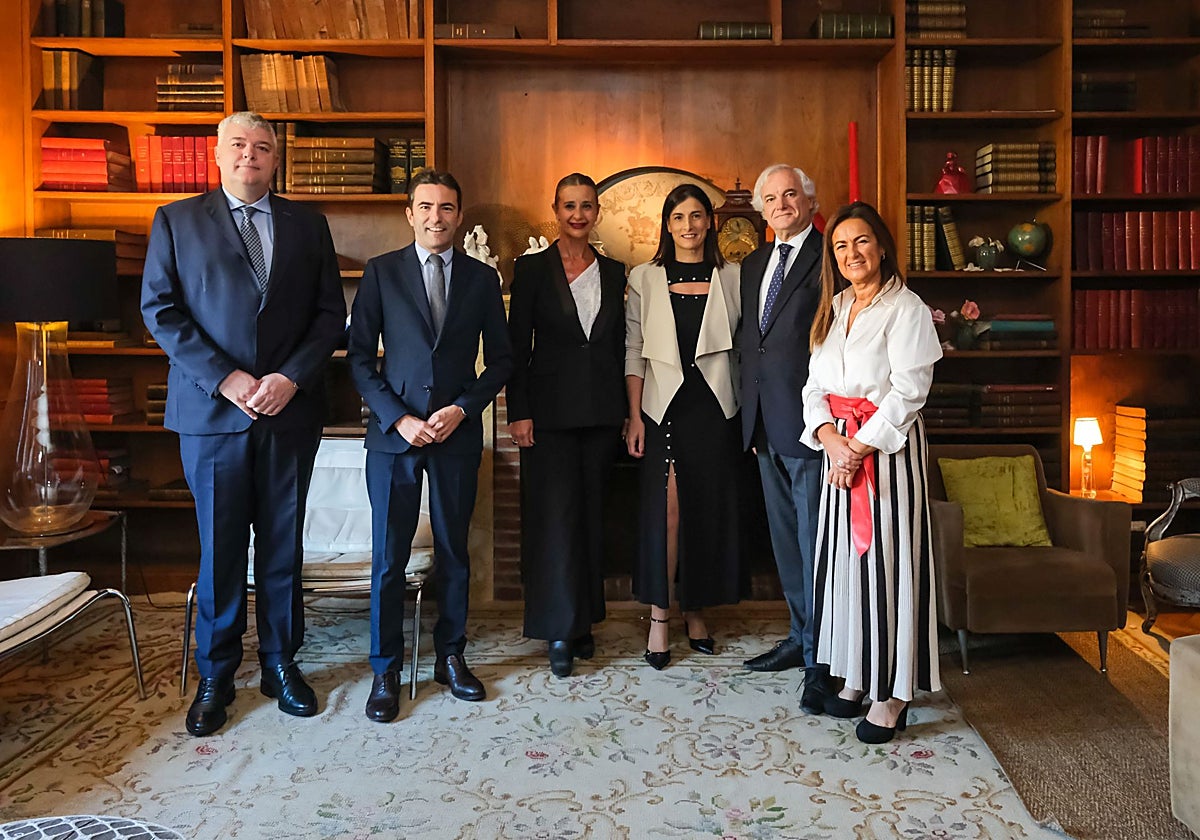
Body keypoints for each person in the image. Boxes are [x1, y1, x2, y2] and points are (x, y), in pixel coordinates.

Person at [142, 112, 346, 737]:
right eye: (239, 145)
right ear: (217, 155)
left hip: (288, 412)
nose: (250, 156)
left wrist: (290, 378)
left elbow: (329, 316)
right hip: (212, 414)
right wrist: (227, 379)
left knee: (284, 547)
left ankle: (282, 663)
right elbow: (161, 309)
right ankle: (216, 675)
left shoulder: (308, 225)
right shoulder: (177, 221)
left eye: (262, 147)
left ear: (276, 158)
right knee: (221, 549)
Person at [347, 169, 512, 722]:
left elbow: (504, 361)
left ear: (459, 216)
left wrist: (462, 408)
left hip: (455, 435)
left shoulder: (482, 279)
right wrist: (397, 419)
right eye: (426, 207)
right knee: (389, 560)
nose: (435, 217)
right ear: (409, 213)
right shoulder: (381, 273)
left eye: (446, 208)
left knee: (454, 554)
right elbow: (359, 360)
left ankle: (450, 656)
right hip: (394, 440)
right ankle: (386, 671)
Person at [801, 201, 942, 744]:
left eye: (861, 241)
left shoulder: (907, 309)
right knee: (848, 572)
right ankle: (859, 676)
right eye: (840, 245)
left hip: (888, 458)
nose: (851, 253)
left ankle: (895, 693)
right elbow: (813, 387)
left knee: (889, 573)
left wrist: (858, 447)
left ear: (881, 246)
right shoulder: (834, 308)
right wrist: (831, 440)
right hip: (840, 456)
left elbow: (909, 392)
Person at [506, 173, 627, 678]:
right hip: (547, 417)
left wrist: (628, 412)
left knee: (590, 519)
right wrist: (518, 411)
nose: (578, 214)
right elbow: (516, 347)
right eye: (569, 205)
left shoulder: (618, 272)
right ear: (555, 209)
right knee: (552, 521)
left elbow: (623, 346)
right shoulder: (532, 269)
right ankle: (557, 628)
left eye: (587, 206)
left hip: (601, 414)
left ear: (597, 212)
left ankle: (583, 623)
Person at [625, 183, 743, 669]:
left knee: (704, 511)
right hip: (662, 408)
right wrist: (633, 415)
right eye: (679, 217)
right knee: (668, 513)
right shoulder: (644, 277)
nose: (689, 226)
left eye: (697, 216)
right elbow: (633, 350)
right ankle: (659, 615)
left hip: (715, 409)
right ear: (667, 225)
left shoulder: (734, 277)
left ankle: (696, 610)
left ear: (709, 223)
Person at [737, 164, 831, 714]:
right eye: (770, 198)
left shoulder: (829, 257)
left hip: (809, 423)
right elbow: (755, 344)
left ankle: (821, 658)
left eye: (790, 194)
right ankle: (800, 637)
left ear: (809, 200)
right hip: (764, 425)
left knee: (814, 542)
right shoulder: (753, 264)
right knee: (785, 541)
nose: (780, 204)